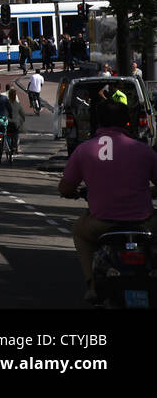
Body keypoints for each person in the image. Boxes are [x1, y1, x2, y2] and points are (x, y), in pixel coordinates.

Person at [58, 96, 157, 302]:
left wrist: (75, 193)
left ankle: (92, 285)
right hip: (144, 222)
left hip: (102, 223)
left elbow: (66, 187)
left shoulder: (84, 150)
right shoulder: (144, 150)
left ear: (99, 122)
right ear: (126, 122)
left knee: (80, 233)